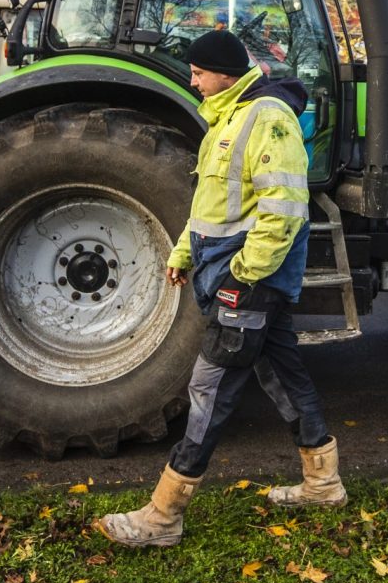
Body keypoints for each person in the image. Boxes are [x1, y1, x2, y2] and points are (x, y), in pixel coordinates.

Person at [96, 29, 343, 548]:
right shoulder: (226, 118)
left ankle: (163, 514)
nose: (193, 80)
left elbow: (284, 212)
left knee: (210, 387)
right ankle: (324, 482)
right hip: (233, 274)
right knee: (282, 371)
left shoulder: (268, 119)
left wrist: (245, 277)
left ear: (226, 74)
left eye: (199, 72)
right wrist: (184, 253)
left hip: (250, 280)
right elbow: (211, 205)